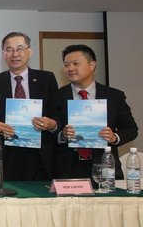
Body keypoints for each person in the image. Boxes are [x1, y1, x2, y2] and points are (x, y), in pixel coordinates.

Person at [0, 32, 62, 180]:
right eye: (9, 50)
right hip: (6, 155)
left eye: (20, 48)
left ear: (29, 52)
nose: (15, 54)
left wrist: (52, 124)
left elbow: (58, 112)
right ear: (3, 54)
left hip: (40, 157)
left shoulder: (46, 79)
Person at [57, 44, 138, 179]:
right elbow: (49, 133)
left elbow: (131, 129)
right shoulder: (57, 96)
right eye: (66, 65)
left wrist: (114, 137)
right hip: (67, 169)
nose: (70, 68)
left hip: (105, 166)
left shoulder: (114, 96)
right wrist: (62, 135)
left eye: (76, 64)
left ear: (92, 65)